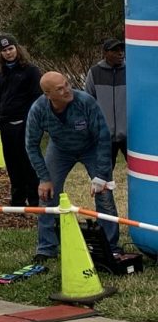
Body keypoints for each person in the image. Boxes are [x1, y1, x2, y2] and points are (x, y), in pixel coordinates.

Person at [26, 71, 121, 260]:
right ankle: (46, 248)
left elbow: (103, 138)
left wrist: (101, 175)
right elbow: (31, 145)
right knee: (46, 196)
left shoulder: (85, 102)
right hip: (60, 149)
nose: (67, 90)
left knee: (104, 194)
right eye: (60, 89)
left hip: (91, 147)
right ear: (48, 94)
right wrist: (44, 178)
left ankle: (110, 246)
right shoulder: (38, 109)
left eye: (67, 84)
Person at [0, 34, 43, 207]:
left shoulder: (31, 71)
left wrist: (31, 123)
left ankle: (35, 201)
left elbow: (37, 98)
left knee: (28, 164)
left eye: (11, 49)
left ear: (17, 48)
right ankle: (17, 201)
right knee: (12, 166)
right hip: (7, 126)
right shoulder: (1, 74)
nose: (8, 53)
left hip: (25, 124)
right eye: (4, 51)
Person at [84, 38, 127, 169]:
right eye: (115, 51)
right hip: (104, 134)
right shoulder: (94, 72)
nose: (120, 53)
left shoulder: (131, 70)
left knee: (141, 170)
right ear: (105, 53)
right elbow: (88, 101)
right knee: (103, 174)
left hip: (129, 134)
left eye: (121, 50)